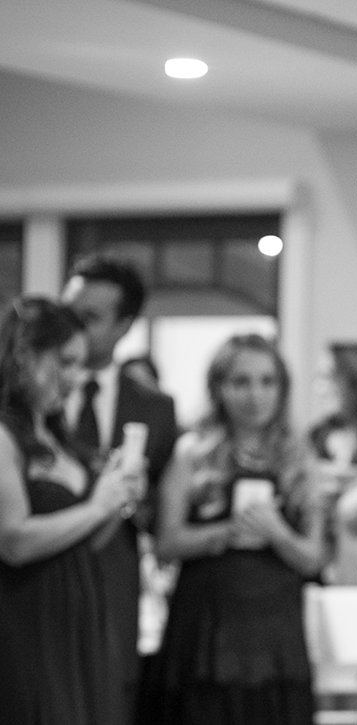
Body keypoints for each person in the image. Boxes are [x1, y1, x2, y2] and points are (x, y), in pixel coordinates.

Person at [150, 333, 324, 724]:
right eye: (241, 382)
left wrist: (277, 533)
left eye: (267, 382)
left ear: (282, 389)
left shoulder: (298, 457)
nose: (255, 395)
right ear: (219, 388)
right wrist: (229, 532)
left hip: (276, 633)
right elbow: (166, 542)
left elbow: (313, 558)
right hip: (206, 627)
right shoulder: (193, 452)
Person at [0, 297, 141, 724]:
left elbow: (86, 543)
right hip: (27, 620)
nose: (75, 378)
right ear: (23, 354)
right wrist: (97, 506)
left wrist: (117, 500)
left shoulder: (58, 437)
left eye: (80, 365)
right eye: (65, 362)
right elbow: (13, 542)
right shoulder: (4, 436)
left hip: (79, 619)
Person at [61, 253, 178, 723]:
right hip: (32, 577)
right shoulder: (31, 394)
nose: (72, 326)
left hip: (113, 582)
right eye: (68, 312)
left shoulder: (155, 407)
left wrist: (137, 498)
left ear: (123, 326)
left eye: (89, 318)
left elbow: (159, 517)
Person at [308, 341, 357, 584]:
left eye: (328, 377)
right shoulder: (316, 436)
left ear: (356, 380)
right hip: (322, 561)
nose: (319, 388)